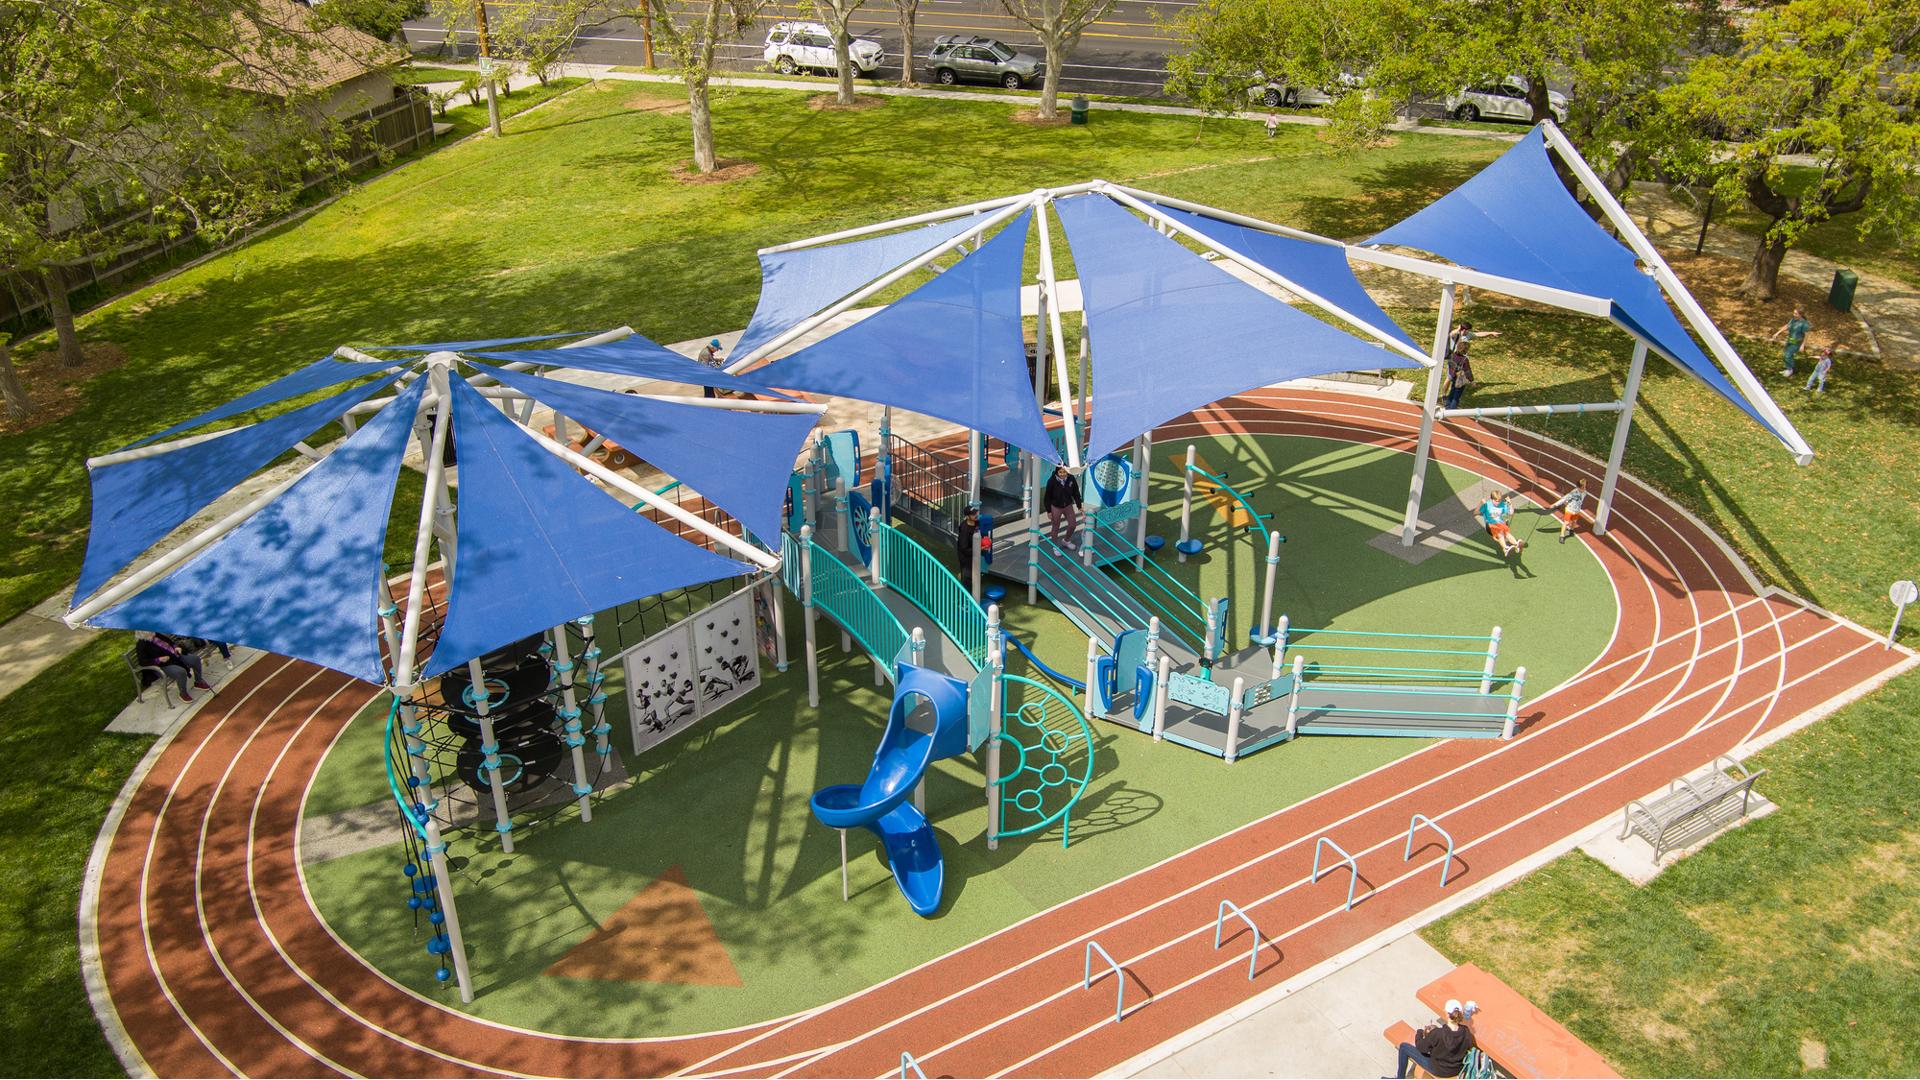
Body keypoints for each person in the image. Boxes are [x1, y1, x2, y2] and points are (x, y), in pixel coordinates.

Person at [1391, 999, 1477, 1079]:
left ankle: (1400, 1078)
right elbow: (1468, 1047)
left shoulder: (1437, 1033)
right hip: (1456, 1070)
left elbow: (1421, 1048)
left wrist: (1419, 1033)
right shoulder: (1466, 1031)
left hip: (1438, 1069)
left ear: (1447, 1014)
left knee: (1403, 1047)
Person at [136, 630, 211, 703]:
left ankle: (198, 682)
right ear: (144, 635)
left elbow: (170, 642)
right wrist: (159, 659)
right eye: (151, 632)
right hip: (164, 664)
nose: (154, 633)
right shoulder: (141, 644)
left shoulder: (157, 634)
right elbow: (142, 662)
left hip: (175, 655)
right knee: (180, 672)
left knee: (195, 659)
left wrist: (176, 647)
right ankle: (183, 693)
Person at [1442, 321, 1498, 410]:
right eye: (1465, 330)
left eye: (1467, 331)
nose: (1466, 332)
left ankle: (1450, 402)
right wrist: (1459, 329)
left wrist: (1490, 333)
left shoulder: (1468, 334)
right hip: (1454, 359)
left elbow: (1478, 334)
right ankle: (1444, 396)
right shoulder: (1456, 334)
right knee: (1449, 378)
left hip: (1462, 360)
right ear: (1461, 328)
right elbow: (1452, 334)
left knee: (1458, 380)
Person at [1044, 465, 1083, 549]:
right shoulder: (1051, 481)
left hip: (1068, 505)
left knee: (1073, 525)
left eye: (1064, 472)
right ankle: (1055, 546)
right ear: (1057, 472)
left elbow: (1076, 493)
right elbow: (1047, 497)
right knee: (1056, 527)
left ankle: (1066, 540)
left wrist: (1079, 506)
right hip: (1056, 507)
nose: (1062, 474)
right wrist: (1049, 511)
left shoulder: (1071, 479)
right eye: (1060, 472)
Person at [1478, 491, 1523, 556]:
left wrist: (1510, 504)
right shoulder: (1487, 505)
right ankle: (1505, 548)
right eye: (1496, 501)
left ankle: (1516, 545)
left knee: (1507, 533)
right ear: (1491, 499)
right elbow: (1479, 512)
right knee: (1500, 533)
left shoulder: (1502, 505)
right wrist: (1482, 504)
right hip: (1490, 526)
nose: (1497, 503)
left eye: (1499, 501)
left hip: (1500, 524)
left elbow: (1511, 513)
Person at [1770, 305, 1810, 375]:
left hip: (1797, 342)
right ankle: (1788, 367)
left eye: (1796, 314)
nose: (1794, 315)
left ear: (1801, 315)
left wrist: (1802, 346)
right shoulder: (1793, 319)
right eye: (1794, 313)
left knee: (1787, 355)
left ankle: (1790, 369)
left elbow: (1806, 335)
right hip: (1790, 340)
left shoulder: (1804, 324)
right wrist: (1777, 333)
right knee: (1787, 354)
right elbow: (1787, 326)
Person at [1547, 479, 1590, 544]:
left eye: (1585, 487)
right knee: (1566, 522)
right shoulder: (1573, 493)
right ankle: (1562, 536)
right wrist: (1554, 505)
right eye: (1583, 487)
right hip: (1569, 510)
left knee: (1574, 522)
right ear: (1579, 487)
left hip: (1577, 510)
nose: (1584, 488)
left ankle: (1571, 530)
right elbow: (1564, 499)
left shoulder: (1585, 493)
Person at [956, 505, 980, 588]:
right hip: (965, 558)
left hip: (973, 552)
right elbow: (964, 549)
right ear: (967, 516)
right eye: (973, 514)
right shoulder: (964, 530)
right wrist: (979, 549)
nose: (976, 515)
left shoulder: (977, 522)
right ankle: (965, 597)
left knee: (974, 574)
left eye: (976, 512)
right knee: (967, 578)